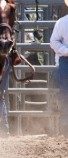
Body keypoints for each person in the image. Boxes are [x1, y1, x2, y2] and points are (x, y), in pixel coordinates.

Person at [50, 0, 68, 138]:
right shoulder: (62, 22)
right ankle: (65, 127)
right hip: (66, 61)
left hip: (65, 61)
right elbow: (53, 41)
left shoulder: (62, 22)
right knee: (65, 94)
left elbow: (54, 42)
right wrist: (66, 51)